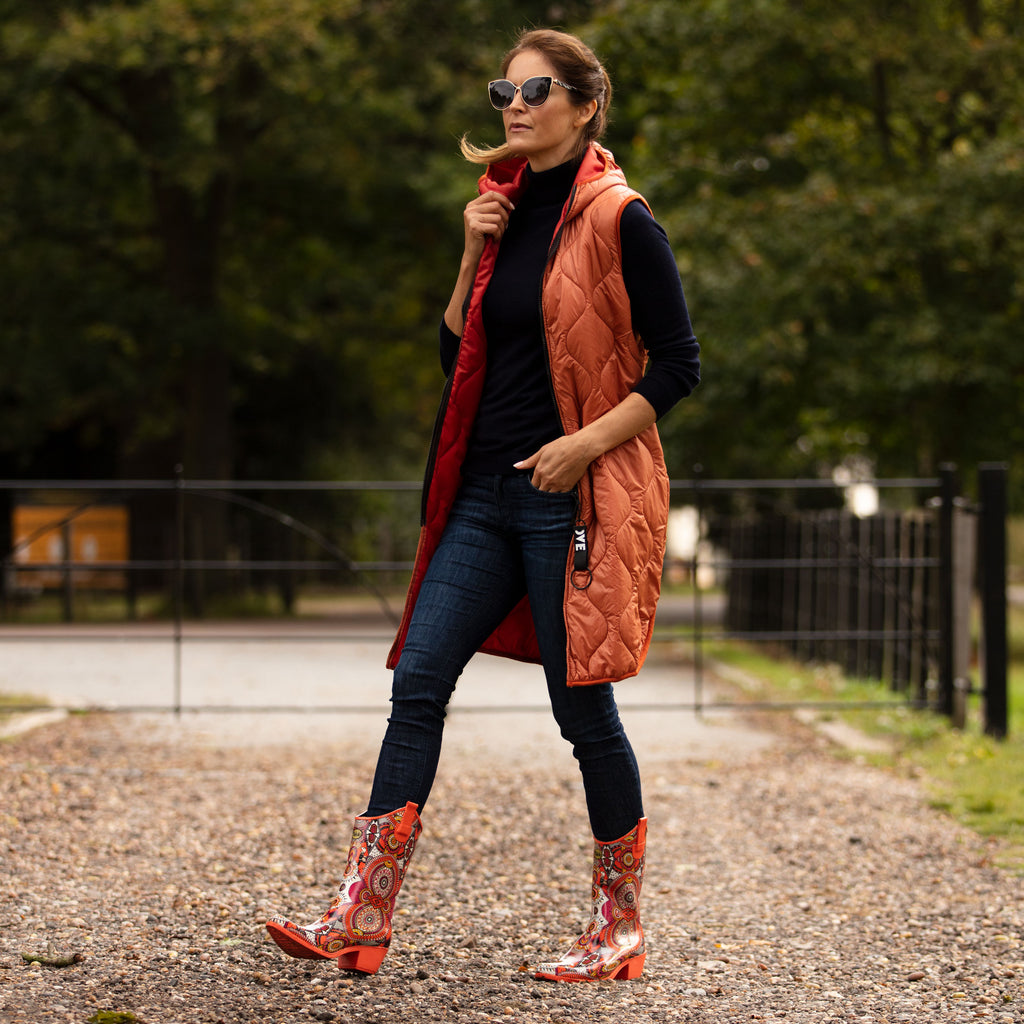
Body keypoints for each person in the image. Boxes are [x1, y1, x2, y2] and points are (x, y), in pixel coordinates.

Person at [266, 27, 700, 983]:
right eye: (503, 89)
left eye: (535, 89)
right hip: (481, 498)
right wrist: (469, 255)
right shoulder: (497, 210)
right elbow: (457, 347)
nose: (514, 103)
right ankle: (359, 918)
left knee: (584, 714)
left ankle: (618, 927)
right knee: (417, 681)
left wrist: (581, 446)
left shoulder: (623, 219)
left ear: (585, 104)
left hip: (571, 498)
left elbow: (680, 365)